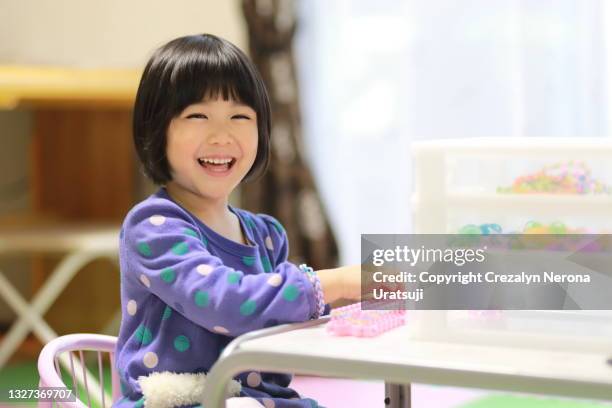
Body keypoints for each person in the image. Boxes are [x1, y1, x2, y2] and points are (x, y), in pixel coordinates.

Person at [113, 33, 362, 408]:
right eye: (197, 115)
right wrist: (336, 280)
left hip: (262, 400)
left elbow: (277, 314)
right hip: (180, 401)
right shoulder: (153, 226)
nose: (221, 135)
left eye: (240, 116)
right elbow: (224, 301)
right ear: (156, 130)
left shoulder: (265, 234)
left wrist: (352, 301)